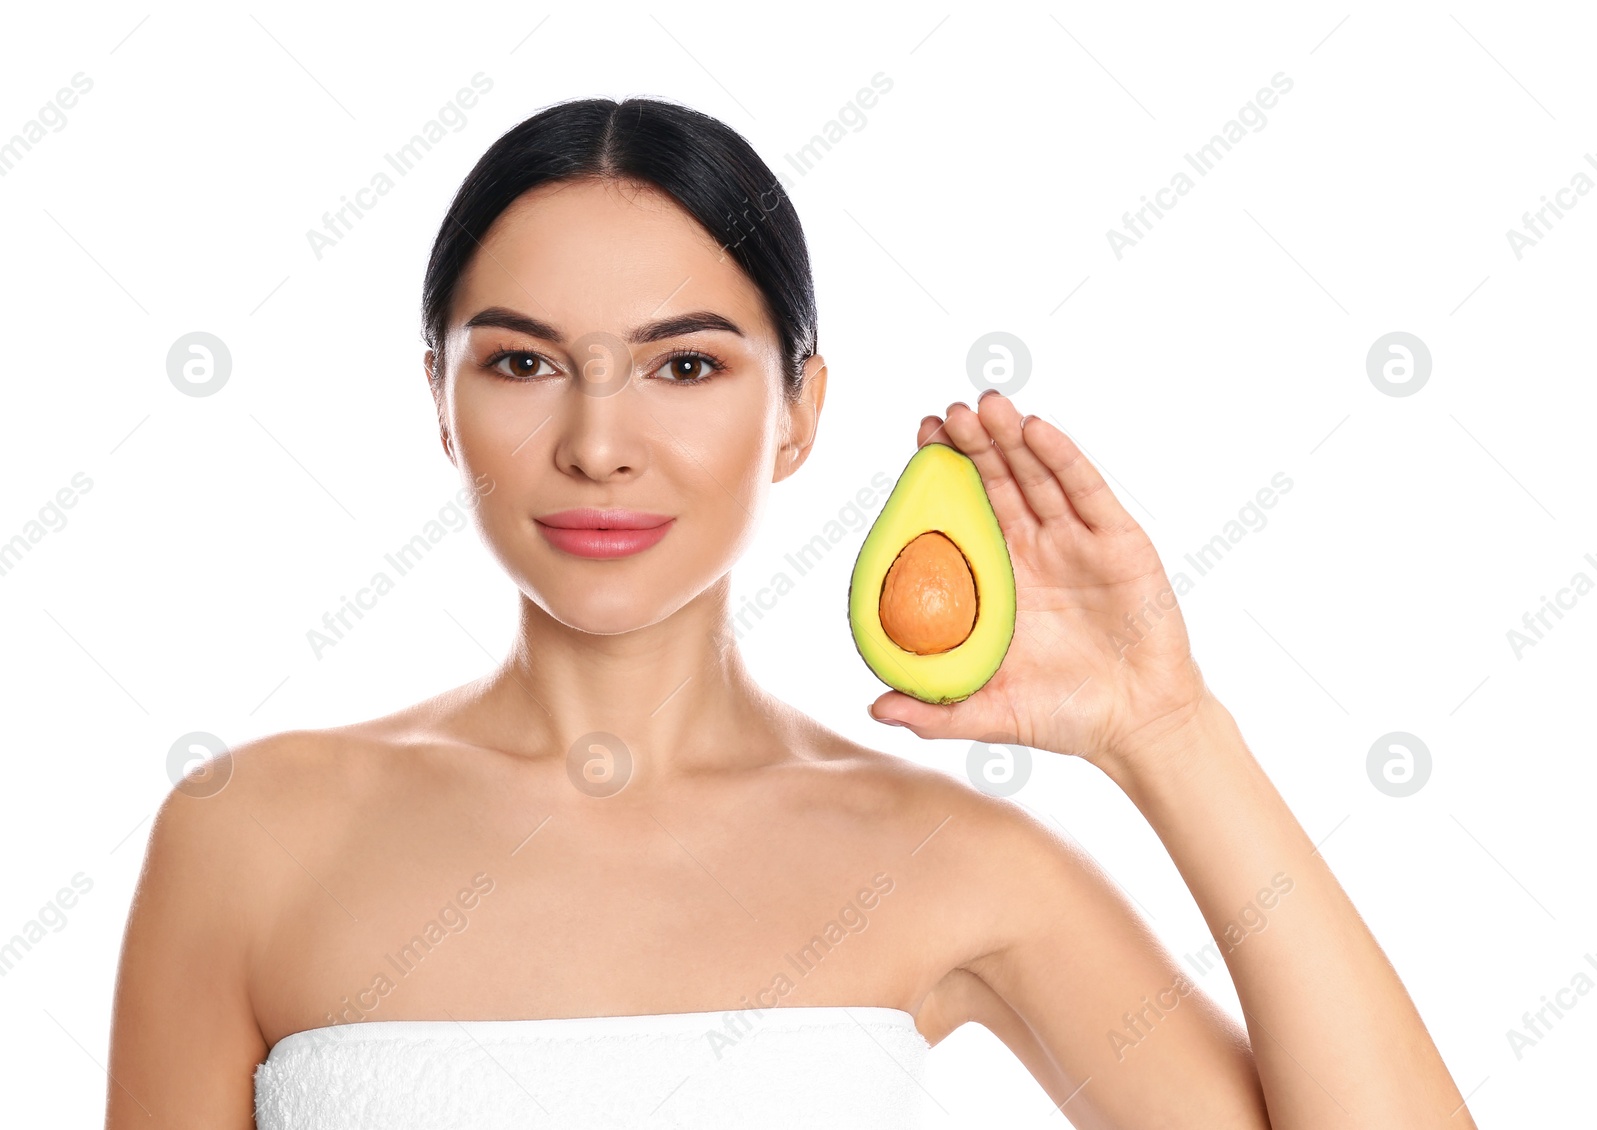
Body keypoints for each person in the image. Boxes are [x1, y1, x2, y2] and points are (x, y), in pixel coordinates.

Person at [104, 96, 1475, 1129]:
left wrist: (1169, 730)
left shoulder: (945, 861)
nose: (597, 442)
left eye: (683, 364)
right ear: (440, 401)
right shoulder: (249, 835)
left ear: (799, 412)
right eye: (522, 360)